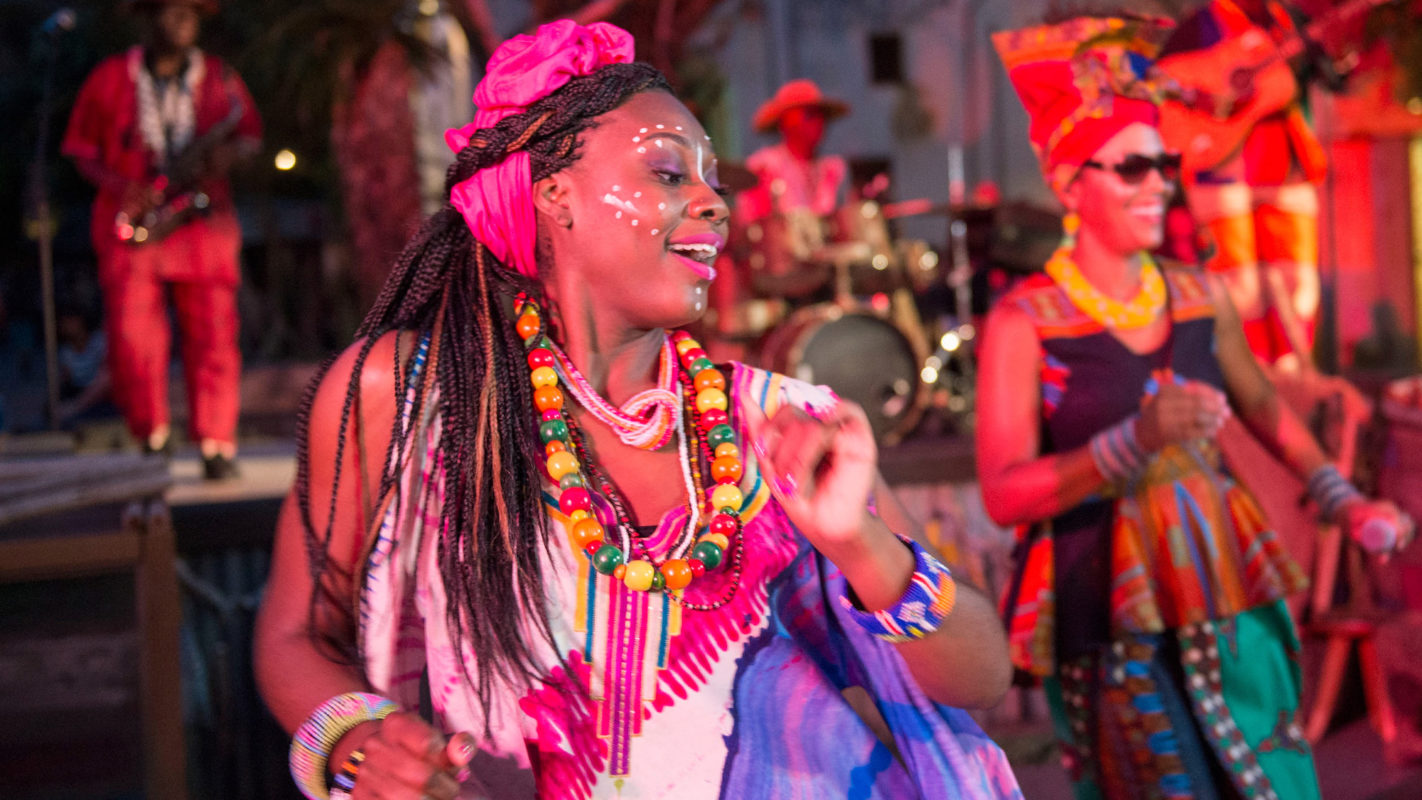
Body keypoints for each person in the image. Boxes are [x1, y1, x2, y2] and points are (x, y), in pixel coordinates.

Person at [253, 21, 1020, 800]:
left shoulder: (777, 423)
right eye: (666, 172)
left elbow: (982, 675)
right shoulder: (414, 402)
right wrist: (354, 740)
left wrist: (860, 545)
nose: (712, 204)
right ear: (554, 194)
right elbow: (294, 635)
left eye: (712, 178)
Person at [980, 15, 1413, 800]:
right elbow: (1005, 493)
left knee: (1271, 782)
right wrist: (1130, 442)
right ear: (1070, 181)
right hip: (1106, 612)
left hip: (1226, 587)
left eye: (1163, 165)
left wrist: (1342, 500)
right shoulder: (1026, 322)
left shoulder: (1198, 294)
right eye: (1132, 168)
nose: (1160, 184)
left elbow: (1262, 408)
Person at [62, 0, 261, 479]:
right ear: (148, 18)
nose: (183, 20)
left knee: (214, 333)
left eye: (191, 13)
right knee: (134, 337)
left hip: (201, 224)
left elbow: (251, 136)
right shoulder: (111, 77)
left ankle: (216, 443)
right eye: (173, 11)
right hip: (134, 224)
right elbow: (79, 149)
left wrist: (230, 157)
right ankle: (151, 435)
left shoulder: (222, 78)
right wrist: (120, 187)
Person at [1157, 0, 1346, 371]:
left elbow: (1333, 77)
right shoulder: (1201, 27)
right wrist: (1204, 96)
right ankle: (1250, 381)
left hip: (1286, 168)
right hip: (1219, 170)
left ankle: (1296, 381)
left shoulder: (1289, 21)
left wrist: (1332, 48)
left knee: (1298, 287)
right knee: (1238, 289)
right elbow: (1159, 84)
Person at [734, 78, 852, 303]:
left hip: (828, 274)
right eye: (809, 115)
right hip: (781, 274)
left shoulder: (832, 169)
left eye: (821, 116)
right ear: (786, 122)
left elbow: (841, 224)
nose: (819, 123)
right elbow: (750, 225)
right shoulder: (764, 166)